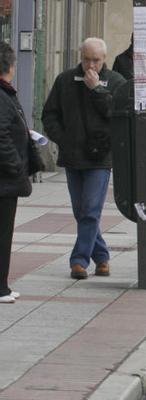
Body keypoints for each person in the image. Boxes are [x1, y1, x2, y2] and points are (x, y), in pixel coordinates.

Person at [43, 38, 125, 280]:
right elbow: (50, 114)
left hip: (101, 158)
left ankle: (78, 261)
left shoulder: (116, 81)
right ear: (80, 57)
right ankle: (101, 256)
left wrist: (97, 89)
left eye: (96, 60)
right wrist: (63, 139)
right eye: (87, 59)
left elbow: (117, 114)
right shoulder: (65, 80)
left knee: (91, 209)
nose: (91, 65)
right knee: (81, 211)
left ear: (104, 59)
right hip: (73, 156)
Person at [0, 41, 38, 302]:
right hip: (4, 179)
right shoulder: (2, 95)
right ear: (10, 67)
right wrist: (15, 166)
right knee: (3, 234)